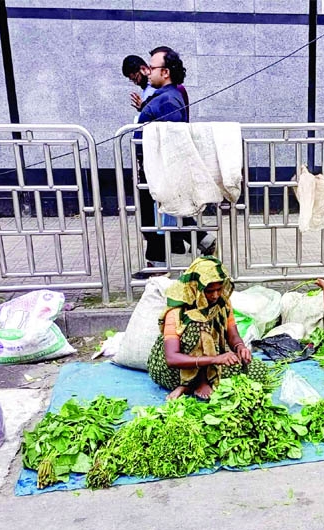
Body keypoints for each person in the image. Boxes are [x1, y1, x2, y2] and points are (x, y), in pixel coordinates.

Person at [122, 48, 212, 277]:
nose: (147, 71)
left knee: (161, 214)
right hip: (154, 167)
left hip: (159, 169)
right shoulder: (163, 96)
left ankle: (159, 266)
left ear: (165, 72)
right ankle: (193, 246)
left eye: (151, 68)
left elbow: (171, 142)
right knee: (163, 214)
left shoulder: (169, 100)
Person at [147, 256, 269, 400]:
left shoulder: (222, 303)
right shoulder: (177, 311)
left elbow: (232, 335)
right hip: (176, 372)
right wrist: (215, 359)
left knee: (259, 372)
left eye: (219, 289)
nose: (215, 295)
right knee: (198, 321)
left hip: (212, 362)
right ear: (196, 288)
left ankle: (191, 386)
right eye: (210, 291)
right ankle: (196, 382)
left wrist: (240, 347)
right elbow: (172, 358)